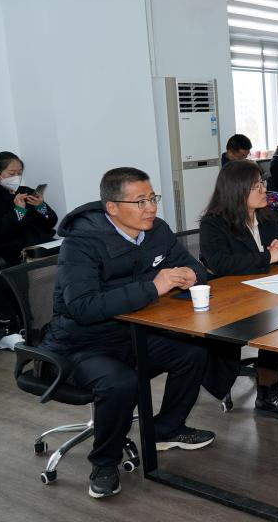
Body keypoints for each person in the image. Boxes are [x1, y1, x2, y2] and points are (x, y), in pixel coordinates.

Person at [40, 167, 221, 499]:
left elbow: (196, 267)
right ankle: (104, 463)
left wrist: (190, 275)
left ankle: (166, 429)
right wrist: (153, 287)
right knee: (121, 382)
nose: (150, 208)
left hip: (131, 333)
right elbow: (83, 307)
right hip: (80, 344)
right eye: (140, 201)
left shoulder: (156, 231)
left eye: (152, 198)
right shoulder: (81, 244)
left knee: (193, 352)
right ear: (112, 207)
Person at [200, 161, 278, 419]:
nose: (264, 190)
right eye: (257, 186)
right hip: (234, 302)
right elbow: (221, 263)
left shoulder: (266, 216)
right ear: (237, 190)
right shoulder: (214, 223)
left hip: (268, 290)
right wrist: (268, 257)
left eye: (262, 183)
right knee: (277, 326)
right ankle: (268, 394)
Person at [0, 151, 58, 266]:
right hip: (11, 254)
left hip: (40, 247)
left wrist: (41, 207)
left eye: (19, 173)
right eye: (12, 174)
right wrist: (18, 211)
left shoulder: (26, 191)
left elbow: (51, 223)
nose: (16, 177)